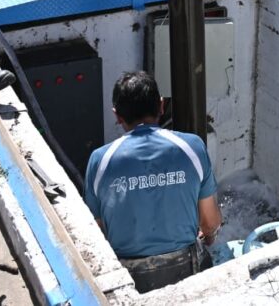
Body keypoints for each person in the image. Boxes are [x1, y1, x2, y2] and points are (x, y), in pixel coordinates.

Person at [84, 72, 222, 293]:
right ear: (160, 106)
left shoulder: (100, 160)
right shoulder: (193, 147)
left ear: (117, 115)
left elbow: (97, 233)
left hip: (127, 277)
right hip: (186, 268)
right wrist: (210, 237)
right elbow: (210, 222)